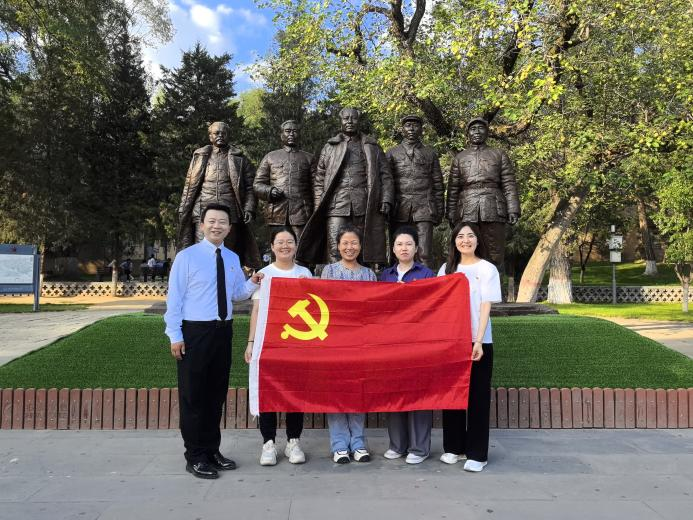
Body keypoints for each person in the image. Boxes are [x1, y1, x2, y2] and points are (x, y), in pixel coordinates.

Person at [164, 203, 264, 479]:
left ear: (229, 228)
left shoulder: (231, 258)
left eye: (222, 222)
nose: (217, 226)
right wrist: (175, 335)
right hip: (195, 332)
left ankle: (211, 451)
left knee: (215, 395)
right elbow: (174, 298)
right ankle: (195, 456)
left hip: (223, 332)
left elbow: (237, 294)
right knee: (193, 396)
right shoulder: (186, 257)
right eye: (212, 221)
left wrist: (253, 282)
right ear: (202, 225)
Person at [436, 221, 502, 472]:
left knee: (477, 396)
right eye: (460, 236)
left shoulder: (487, 269)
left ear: (477, 240)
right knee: (452, 394)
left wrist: (478, 340)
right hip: (451, 341)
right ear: (454, 241)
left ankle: (477, 453)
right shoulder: (446, 269)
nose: (465, 240)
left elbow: (485, 305)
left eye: (470, 236)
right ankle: (454, 447)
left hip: (478, 341)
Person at [244, 227, 312, 466]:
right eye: (280, 242)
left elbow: (314, 306)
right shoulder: (264, 274)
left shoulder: (304, 273)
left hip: (297, 345)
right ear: (272, 247)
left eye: (289, 241)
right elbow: (257, 310)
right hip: (268, 343)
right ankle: (268, 443)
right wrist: (251, 343)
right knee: (268, 391)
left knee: (295, 393)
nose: (285, 246)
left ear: (295, 246)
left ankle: (293, 441)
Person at [297, 107, 394, 265]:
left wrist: (386, 199)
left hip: (364, 204)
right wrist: (318, 205)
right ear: (340, 121)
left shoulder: (372, 146)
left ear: (358, 121)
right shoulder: (330, 147)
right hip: (336, 205)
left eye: (353, 118)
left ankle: (363, 278)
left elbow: (386, 175)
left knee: (362, 249)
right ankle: (334, 279)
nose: (350, 121)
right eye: (346, 118)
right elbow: (319, 179)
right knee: (335, 248)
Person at [378, 226, 435, 464]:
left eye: (408, 244)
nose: (404, 248)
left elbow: (433, 306)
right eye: (399, 244)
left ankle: (419, 449)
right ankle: (397, 445)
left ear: (416, 248)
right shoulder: (386, 275)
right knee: (394, 393)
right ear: (393, 249)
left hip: (418, 343)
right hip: (391, 345)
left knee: (419, 395)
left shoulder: (427, 274)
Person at [320, 224, 376, 463]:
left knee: (357, 391)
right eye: (345, 243)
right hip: (334, 342)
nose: (349, 247)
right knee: (336, 392)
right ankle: (339, 444)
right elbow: (322, 303)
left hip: (361, 343)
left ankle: (358, 443)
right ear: (338, 246)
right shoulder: (329, 271)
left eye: (354, 243)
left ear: (360, 246)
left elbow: (375, 309)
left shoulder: (369, 275)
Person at [177, 121, 261, 268]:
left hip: (230, 212)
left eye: (224, 133)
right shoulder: (200, 156)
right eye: (216, 133)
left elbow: (250, 187)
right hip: (202, 210)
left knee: (228, 252)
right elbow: (189, 185)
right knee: (202, 250)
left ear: (229, 136)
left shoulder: (240, 159)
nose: (220, 136)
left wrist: (249, 208)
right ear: (210, 136)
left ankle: (227, 280)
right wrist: (183, 207)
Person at [445, 117, 521, 270]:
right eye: (473, 129)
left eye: (481, 128)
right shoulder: (460, 158)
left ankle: (493, 283)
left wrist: (513, 209)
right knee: (466, 250)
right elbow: (453, 188)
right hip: (467, 208)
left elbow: (509, 183)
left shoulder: (499, 154)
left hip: (494, 207)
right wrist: (451, 213)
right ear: (468, 134)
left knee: (494, 251)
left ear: (487, 132)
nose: (477, 132)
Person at [386, 115, 444, 267]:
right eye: (408, 125)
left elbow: (438, 184)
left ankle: (425, 280)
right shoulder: (392, 153)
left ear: (421, 130)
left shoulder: (430, 153)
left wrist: (439, 210)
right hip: (399, 207)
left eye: (415, 125)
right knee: (398, 250)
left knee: (424, 252)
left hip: (424, 206)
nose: (411, 129)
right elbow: (386, 182)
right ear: (402, 129)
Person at [254, 120, 314, 242]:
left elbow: (316, 187)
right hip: (276, 212)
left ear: (299, 135)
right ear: (281, 135)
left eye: (295, 131)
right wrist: (269, 191)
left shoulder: (309, 158)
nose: (291, 134)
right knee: (278, 247)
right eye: (288, 131)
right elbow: (257, 184)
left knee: (300, 249)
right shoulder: (270, 157)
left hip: (302, 213)